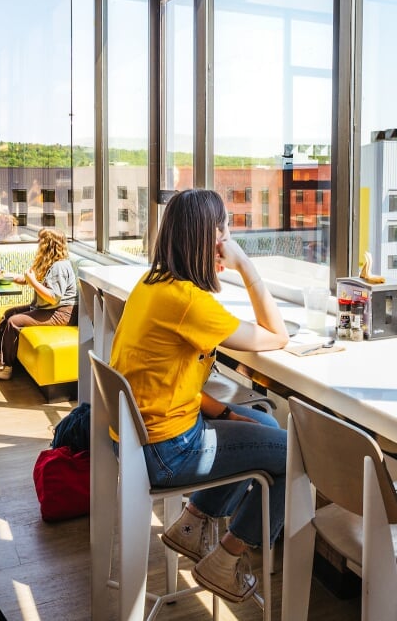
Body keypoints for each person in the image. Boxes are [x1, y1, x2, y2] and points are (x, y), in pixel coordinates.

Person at [109, 189, 289, 603]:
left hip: (143, 440)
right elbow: (276, 336)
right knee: (294, 452)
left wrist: (225, 412)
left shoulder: (154, 284)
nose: (228, 237)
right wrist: (245, 265)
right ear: (210, 237)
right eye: (224, 228)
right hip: (167, 451)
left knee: (262, 422)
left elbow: (167, 381)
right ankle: (228, 556)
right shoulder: (189, 303)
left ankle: (193, 522)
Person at [0, 229, 77, 380]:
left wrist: (33, 282)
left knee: (14, 322)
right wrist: (2, 273)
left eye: (40, 241)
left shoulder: (59, 266)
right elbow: (24, 279)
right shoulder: (46, 262)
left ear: (48, 244)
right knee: (9, 313)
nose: (37, 244)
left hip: (61, 312)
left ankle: (6, 367)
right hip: (47, 308)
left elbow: (54, 298)